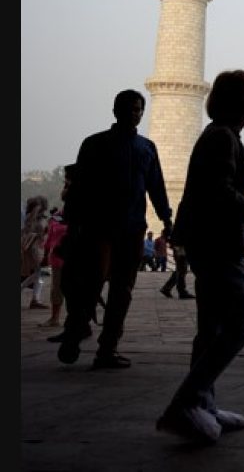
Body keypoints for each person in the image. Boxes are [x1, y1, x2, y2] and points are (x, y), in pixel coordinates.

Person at [156, 70, 244, 444]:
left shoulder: (225, 137)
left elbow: (217, 191)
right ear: (234, 100)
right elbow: (217, 194)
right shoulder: (221, 138)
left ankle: (203, 406)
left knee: (210, 329)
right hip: (217, 244)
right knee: (241, 322)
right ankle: (185, 403)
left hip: (210, 240)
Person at [57, 89, 174, 369]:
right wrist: (72, 225)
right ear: (116, 111)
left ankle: (107, 348)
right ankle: (75, 332)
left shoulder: (147, 148)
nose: (135, 114)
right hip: (100, 225)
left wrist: (167, 219)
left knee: (122, 289)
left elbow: (156, 187)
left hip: (132, 227)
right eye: (130, 108)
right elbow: (79, 187)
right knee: (92, 282)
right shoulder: (95, 144)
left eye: (138, 109)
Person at [41, 204, 69, 326]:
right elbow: (49, 239)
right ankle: (54, 318)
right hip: (57, 258)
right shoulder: (55, 218)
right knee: (56, 288)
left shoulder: (82, 215)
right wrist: (45, 255)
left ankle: (78, 320)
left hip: (76, 258)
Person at [20, 195, 50, 310]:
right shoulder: (33, 217)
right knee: (40, 271)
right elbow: (30, 230)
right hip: (34, 248)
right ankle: (33, 298)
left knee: (39, 273)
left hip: (35, 247)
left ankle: (35, 299)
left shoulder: (36, 217)